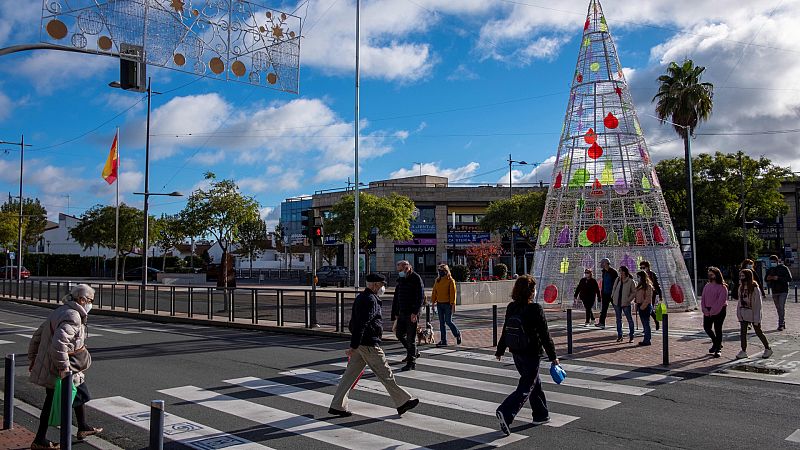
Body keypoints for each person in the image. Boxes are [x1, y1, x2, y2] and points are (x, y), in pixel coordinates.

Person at [329, 273, 419, 417]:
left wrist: (355, 344)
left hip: (362, 344)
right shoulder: (370, 300)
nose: (383, 287)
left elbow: (355, 323)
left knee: (349, 376)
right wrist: (353, 345)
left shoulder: (362, 297)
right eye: (382, 284)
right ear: (375, 284)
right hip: (369, 344)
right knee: (386, 374)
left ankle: (337, 405)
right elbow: (361, 324)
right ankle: (403, 401)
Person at [28, 284, 103, 450]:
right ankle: (40, 440)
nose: (91, 304)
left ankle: (82, 427)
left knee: (79, 393)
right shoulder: (73, 316)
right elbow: (59, 345)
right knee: (55, 402)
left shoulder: (59, 311)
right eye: (90, 300)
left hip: (57, 365)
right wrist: (64, 369)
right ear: (82, 299)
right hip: (61, 368)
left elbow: (37, 336)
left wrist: (32, 358)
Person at [495, 275, 559, 435]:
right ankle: (506, 411)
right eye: (534, 288)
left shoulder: (512, 307)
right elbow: (545, 335)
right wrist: (553, 356)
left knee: (534, 383)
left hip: (516, 351)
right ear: (530, 291)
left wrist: (500, 349)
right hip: (531, 352)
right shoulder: (535, 309)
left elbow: (506, 329)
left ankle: (541, 414)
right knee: (526, 386)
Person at [391, 260, 424, 371]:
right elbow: (397, 296)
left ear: (407, 267)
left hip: (411, 313)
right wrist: (396, 313)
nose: (400, 272)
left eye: (401, 270)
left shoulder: (416, 278)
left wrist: (415, 312)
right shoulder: (401, 279)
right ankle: (413, 352)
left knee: (411, 338)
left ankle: (411, 362)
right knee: (399, 334)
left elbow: (420, 296)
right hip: (402, 312)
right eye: (399, 270)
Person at [736, 269, 773, 359]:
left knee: (758, 331)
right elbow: (739, 302)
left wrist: (757, 318)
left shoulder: (754, 288)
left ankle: (768, 348)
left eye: (743, 276)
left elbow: (758, 304)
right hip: (743, 312)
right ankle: (743, 350)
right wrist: (739, 314)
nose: (741, 278)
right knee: (743, 332)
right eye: (740, 276)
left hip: (753, 313)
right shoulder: (741, 287)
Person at [431, 264, 461, 347]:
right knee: (441, 323)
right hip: (439, 304)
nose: (440, 272)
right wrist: (433, 303)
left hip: (447, 304)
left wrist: (453, 305)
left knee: (448, 321)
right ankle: (443, 340)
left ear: (446, 271)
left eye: (441, 270)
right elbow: (434, 292)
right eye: (439, 270)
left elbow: (453, 294)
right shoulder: (437, 280)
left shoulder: (450, 280)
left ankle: (457, 334)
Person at [701, 267, 728, 358]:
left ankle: (718, 349)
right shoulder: (707, 286)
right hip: (708, 310)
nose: (710, 276)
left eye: (712, 274)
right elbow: (703, 299)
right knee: (707, 327)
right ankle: (716, 343)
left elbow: (720, 301)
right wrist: (705, 309)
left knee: (718, 329)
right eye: (709, 274)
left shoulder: (722, 287)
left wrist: (713, 311)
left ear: (717, 275)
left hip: (719, 310)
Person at [765, 255, 792, 331]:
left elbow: (789, 278)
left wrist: (778, 278)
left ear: (777, 261)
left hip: (783, 290)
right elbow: (766, 279)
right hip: (774, 290)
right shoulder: (770, 269)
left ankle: (781, 324)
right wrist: (769, 278)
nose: (772, 263)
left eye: (773, 261)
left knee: (781, 306)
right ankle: (782, 321)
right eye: (771, 262)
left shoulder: (784, 268)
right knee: (778, 308)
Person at [611, 266, 636, 343]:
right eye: (620, 271)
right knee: (618, 319)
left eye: (621, 271)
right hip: (617, 302)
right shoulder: (618, 279)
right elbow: (614, 288)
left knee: (629, 319)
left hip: (626, 303)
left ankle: (631, 335)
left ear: (625, 271)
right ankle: (619, 335)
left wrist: (629, 300)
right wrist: (612, 296)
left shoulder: (630, 281)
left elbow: (634, 292)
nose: (620, 273)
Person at [639, 260, 662, 331]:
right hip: (643, 294)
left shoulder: (652, 274)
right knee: (649, 309)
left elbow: (657, 285)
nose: (642, 269)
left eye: (644, 267)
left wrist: (660, 295)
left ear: (648, 267)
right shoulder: (641, 275)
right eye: (641, 268)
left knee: (648, 309)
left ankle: (647, 326)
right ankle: (653, 322)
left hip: (651, 293)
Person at [633, 271, 654, 346]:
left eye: (639, 277)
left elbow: (648, 298)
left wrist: (642, 307)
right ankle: (646, 338)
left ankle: (647, 340)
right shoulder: (639, 286)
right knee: (644, 323)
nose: (638, 278)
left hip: (645, 306)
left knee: (646, 323)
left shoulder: (648, 286)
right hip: (640, 305)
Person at [597, 258, 618, 329]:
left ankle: (619, 322)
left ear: (605, 263)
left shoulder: (613, 272)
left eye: (602, 263)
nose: (601, 265)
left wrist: (614, 292)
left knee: (616, 308)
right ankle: (602, 322)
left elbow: (616, 283)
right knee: (604, 309)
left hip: (612, 293)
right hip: (605, 293)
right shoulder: (604, 272)